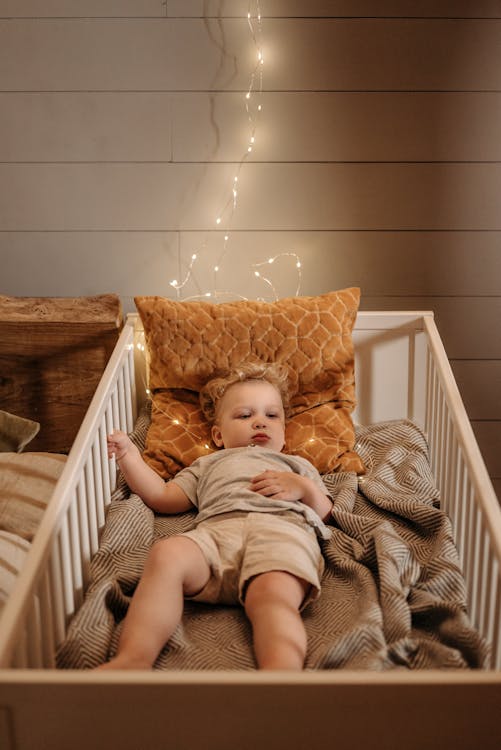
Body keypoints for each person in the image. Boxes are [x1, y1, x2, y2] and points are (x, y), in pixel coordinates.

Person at [99, 363, 333, 671]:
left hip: (281, 533)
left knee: (272, 596)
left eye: (271, 415)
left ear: (284, 431)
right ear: (218, 435)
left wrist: (303, 487)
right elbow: (162, 497)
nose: (260, 422)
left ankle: (281, 676)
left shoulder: (296, 465)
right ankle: (133, 658)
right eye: (245, 415)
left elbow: (326, 513)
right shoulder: (208, 463)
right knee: (167, 553)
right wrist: (129, 456)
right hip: (218, 533)